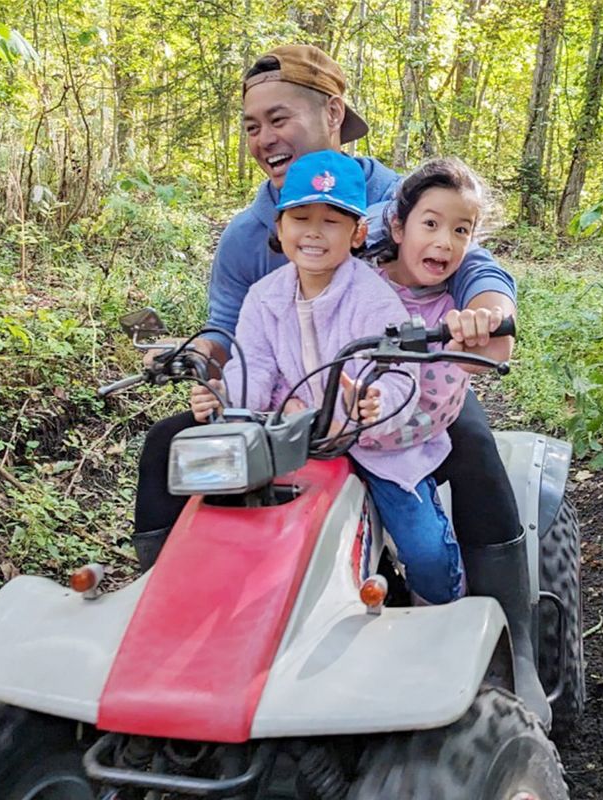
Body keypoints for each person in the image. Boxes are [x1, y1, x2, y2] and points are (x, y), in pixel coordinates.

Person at [132, 43, 542, 721]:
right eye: (252, 126)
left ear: (331, 112)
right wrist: (200, 363)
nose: (265, 138)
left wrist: (487, 311)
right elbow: (228, 329)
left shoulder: (396, 197)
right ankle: (171, 617)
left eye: (279, 119)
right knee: (169, 446)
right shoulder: (247, 235)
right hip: (288, 399)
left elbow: (470, 261)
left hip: (403, 388)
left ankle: (509, 646)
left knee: (471, 446)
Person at [191, 149, 464, 606]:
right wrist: (225, 396)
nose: (314, 232)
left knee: (426, 550)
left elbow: (401, 371)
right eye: (300, 218)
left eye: (332, 221)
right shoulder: (263, 297)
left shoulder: (374, 298)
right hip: (292, 440)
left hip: (377, 447)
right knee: (225, 516)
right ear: (280, 226)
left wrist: (375, 401)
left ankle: (443, 611)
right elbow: (253, 365)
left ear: (357, 233)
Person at [371, 155, 550, 726]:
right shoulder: (357, 281)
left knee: (427, 549)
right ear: (397, 226)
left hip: (408, 447)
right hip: (339, 433)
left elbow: (495, 344)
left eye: (461, 230)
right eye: (431, 224)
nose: (444, 241)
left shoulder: (454, 300)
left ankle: (449, 632)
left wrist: (479, 323)